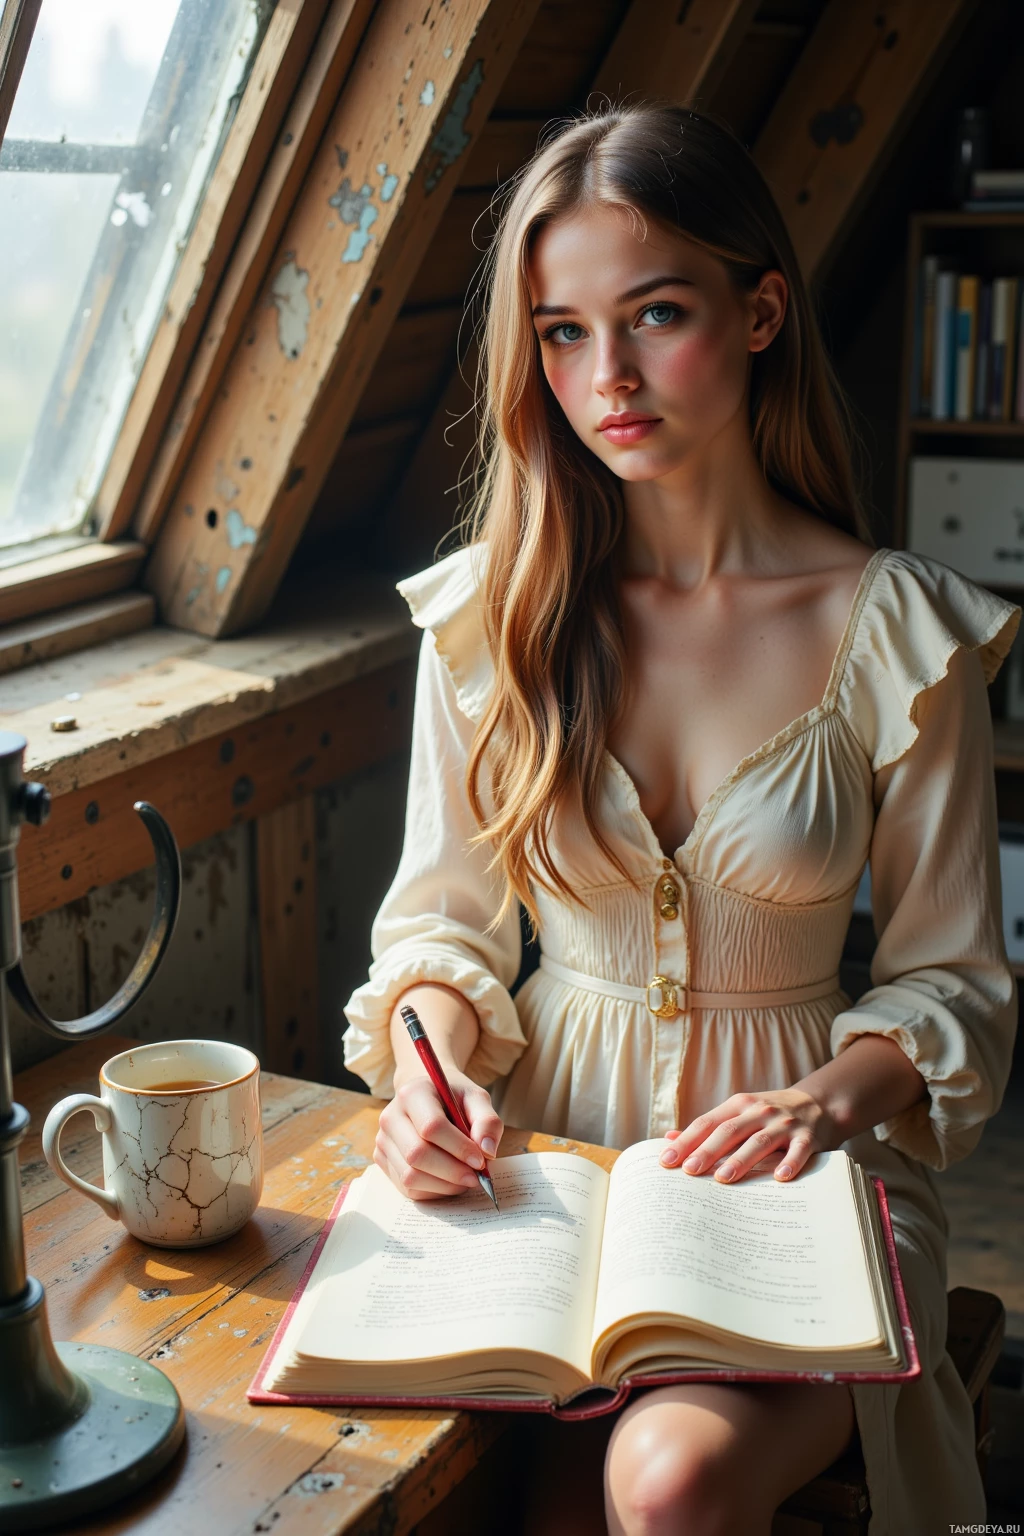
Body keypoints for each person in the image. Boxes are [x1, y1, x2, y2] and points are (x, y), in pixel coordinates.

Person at [342, 105, 1019, 1535]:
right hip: (547, 1169)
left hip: (806, 1164)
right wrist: (424, 1082)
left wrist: (825, 1100)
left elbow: (950, 976)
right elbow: (440, 931)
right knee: (472, 1494)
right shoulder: (491, 618)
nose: (609, 379)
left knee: (672, 1480)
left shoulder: (900, 631)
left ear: (761, 309)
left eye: (654, 315)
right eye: (563, 334)